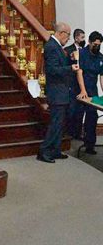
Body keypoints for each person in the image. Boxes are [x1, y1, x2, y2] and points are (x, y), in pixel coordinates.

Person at [38, 22, 80, 163]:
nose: (68, 39)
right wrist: (70, 68)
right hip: (56, 92)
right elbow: (52, 70)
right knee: (55, 123)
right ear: (61, 33)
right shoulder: (51, 46)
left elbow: (60, 64)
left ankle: (55, 150)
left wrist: (70, 60)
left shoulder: (58, 47)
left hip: (62, 91)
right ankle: (44, 151)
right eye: (68, 35)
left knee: (60, 123)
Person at [76, 31, 102, 154]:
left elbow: (102, 76)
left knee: (93, 115)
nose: (97, 47)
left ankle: (89, 145)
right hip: (80, 88)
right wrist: (83, 90)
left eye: (99, 44)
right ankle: (77, 137)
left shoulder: (101, 57)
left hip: (93, 90)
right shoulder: (82, 54)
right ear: (89, 42)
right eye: (95, 44)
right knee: (76, 114)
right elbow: (79, 72)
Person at [65, 28, 86, 139]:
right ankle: (70, 133)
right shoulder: (68, 50)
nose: (84, 39)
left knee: (80, 110)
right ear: (76, 37)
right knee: (71, 109)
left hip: (82, 82)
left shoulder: (85, 51)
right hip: (72, 83)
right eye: (82, 37)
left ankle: (78, 133)